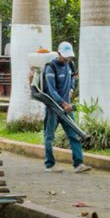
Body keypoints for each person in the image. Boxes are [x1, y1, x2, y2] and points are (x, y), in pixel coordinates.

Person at [37, 41, 91, 172]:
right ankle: (49, 165)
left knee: (74, 135)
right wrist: (63, 103)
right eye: (65, 56)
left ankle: (78, 164)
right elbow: (52, 90)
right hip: (53, 107)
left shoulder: (70, 64)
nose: (67, 59)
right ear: (59, 53)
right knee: (49, 137)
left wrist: (71, 88)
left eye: (69, 57)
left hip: (67, 108)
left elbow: (72, 77)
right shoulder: (51, 67)